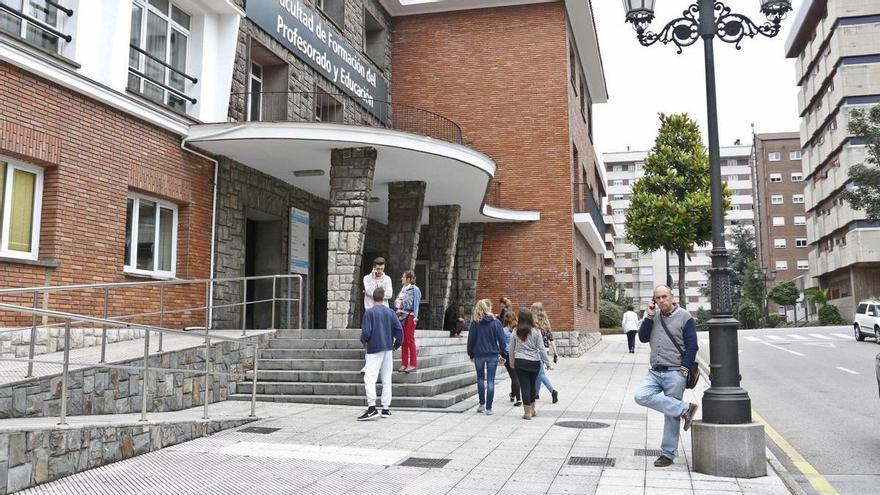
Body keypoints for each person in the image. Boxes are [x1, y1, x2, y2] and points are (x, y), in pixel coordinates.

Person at [633, 285, 699, 467]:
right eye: (658, 298)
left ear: (671, 296)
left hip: (675, 371)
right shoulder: (653, 317)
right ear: (654, 300)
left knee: (671, 415)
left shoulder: (685, 316)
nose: (662, 300)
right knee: (640, 395)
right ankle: (686, 408)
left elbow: (692, 345)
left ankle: (667, 454)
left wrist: (684, 369)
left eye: (664, 296)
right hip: (655, 371)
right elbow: (643, 338)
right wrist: (649, 316)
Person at [358, 287, 403, 421]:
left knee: (370, 377)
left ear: (372, 297)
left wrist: (363, 341)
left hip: (374, 348)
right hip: (388, 348)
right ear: (384, 298)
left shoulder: (369, 313)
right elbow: (399, 331)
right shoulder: (390, 312)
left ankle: (372, 408)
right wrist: (396, 345)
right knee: (386, 378)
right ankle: (385, 408)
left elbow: (366, 332)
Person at [466, 299, 507, 415]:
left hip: (478, 354)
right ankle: (489, 408)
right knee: (490, 381)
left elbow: (471, 340)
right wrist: (504, 354)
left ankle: (481, 404)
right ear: (488, 308)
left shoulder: (475, 323)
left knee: (480, 378)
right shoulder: (496, 322)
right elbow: (502, 340)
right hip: (492, 355)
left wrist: (470, 353)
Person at [508, 308, 551, 420]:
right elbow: (541, 348)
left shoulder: (515, 331)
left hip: (520, 362)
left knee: (524, 386)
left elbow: (511, 349)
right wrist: (548, 363)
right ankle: (533, 409)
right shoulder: (536, 331)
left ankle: (527, 412)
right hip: (534, 362)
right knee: (532, 385)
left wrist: (512, 362)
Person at [530, 302, 559, 404]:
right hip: (545, 350)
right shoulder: (546, 321)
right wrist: (555, 352)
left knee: (540, 373)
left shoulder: (533, 322)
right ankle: (536, 393)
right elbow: (551, 338)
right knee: (539, 373)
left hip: (537, 350)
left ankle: (552, 391)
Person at [394, 270, 421, 372]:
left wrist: (415, 317)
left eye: (403, 277)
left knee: (410, 339)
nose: (401, 278)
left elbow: (416, 304)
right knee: (403, 340)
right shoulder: (403, 289)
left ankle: (413, 363)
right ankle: (404, 363)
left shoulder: (415, 289)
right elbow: (398, 302)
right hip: (401, 316)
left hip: (410, 315)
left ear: (408, 279)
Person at [501, 311, 521, 406]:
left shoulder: (503, 331)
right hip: (517, 355)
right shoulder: (517, 330)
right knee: (516, 377)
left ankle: (517, 398)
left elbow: (500, 345)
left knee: (514, 377)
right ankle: (514, 396)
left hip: (508, 355)